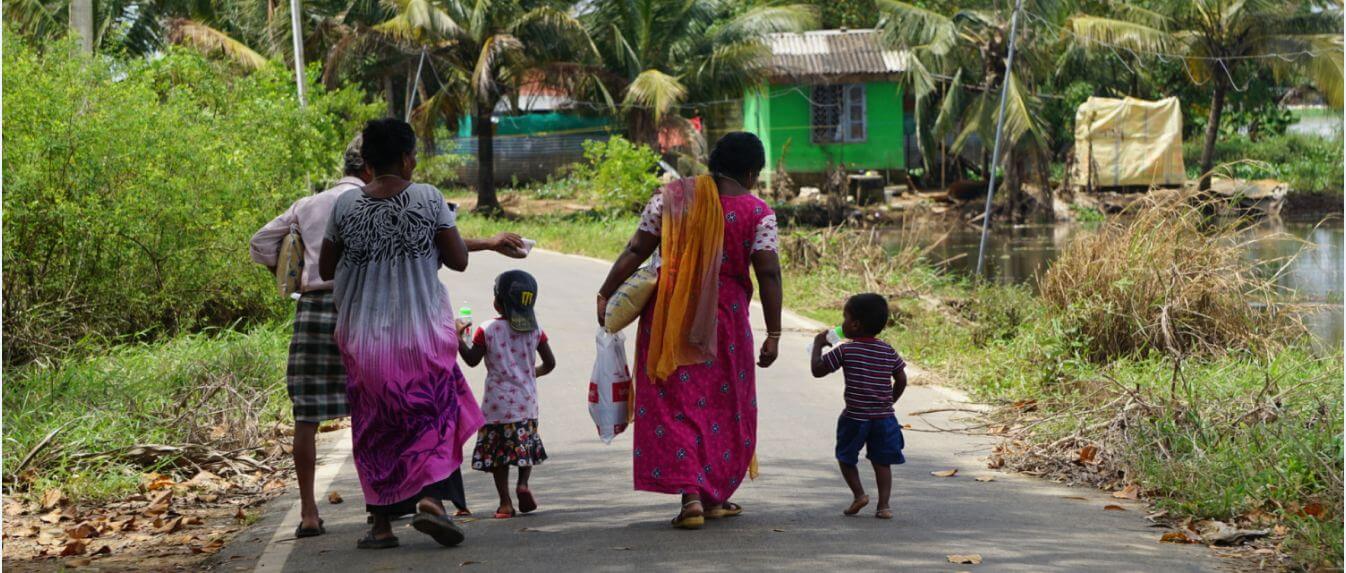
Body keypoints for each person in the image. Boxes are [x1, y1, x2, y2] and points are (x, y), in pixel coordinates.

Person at [596, 131, 783, 529]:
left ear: (713, 163)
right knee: (723, 404)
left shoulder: (671, 198)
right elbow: (768, 272)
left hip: (670, 316)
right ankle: (709, 492)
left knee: (674, 404)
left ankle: (696, 498)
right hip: (726, 322)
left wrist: (606, 292)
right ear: (751, 173)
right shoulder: (758, 212)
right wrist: (774, 333)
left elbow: (636, 249)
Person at [318, 118, 487, 549]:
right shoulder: (429, 198)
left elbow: (325, 268)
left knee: (375, 429)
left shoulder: (345, 207)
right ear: (408, 157)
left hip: (364, 340)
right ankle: (431, 500)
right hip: (421, 335)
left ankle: (380, 527)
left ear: (368, 164)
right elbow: (459, 259)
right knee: (431, 418)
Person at [249, 135, 370, 539]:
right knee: (370, 410)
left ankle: (308, 513)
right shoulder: (371, 201)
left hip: (313, 309)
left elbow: (261, 243)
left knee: (307, 416)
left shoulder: (309, 204)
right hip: (361, 309)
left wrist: (292, 277)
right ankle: (379, 504)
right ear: (369, 167)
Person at [457, 270, 557, 519]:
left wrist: (457, 338)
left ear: (497, 302)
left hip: (496, 406)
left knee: (499, 455)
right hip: (526, 402)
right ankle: (523, 484)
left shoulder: (487, 329)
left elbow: (471, 360)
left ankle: (505, 503)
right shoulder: (536, 330)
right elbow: (550, 363)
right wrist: (530, 373)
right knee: (524, 447)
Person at [809, 293, 908, 520]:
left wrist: (817, 344)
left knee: (846, 457)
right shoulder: (887, 350)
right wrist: (889, 402)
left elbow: (817, 370)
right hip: (884, 418)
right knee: (882, 462)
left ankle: (859, 495)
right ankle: (884, 506)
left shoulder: (846, 350)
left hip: (855, 417)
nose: (842, 323)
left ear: (854, 324)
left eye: (845, 317)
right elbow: (902, 379)